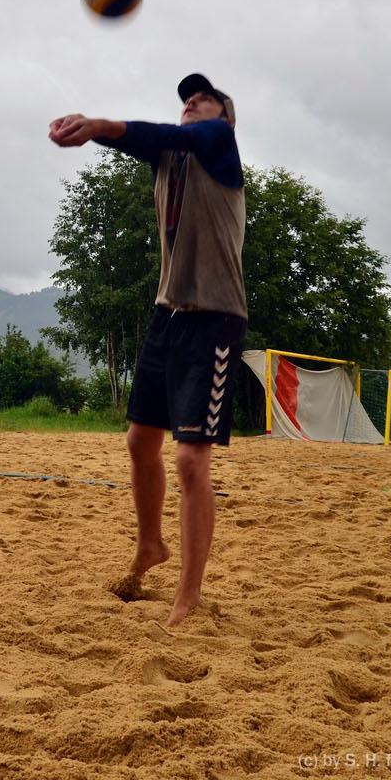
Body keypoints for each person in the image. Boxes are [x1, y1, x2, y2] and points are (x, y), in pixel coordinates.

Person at [48, 73, 246, 626]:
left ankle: (189, 593)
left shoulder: (219, 143)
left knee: (190, 459)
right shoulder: (168, 158)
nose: (191, 103)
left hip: (216, 319)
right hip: (169, 314)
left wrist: (99, 124)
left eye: (204, 98)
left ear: (226, 116)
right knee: (140, 441)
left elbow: (170, 135)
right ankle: (150, 544)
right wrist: (92, 131)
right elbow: (144, 140)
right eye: (186, 100)